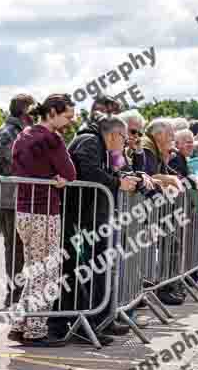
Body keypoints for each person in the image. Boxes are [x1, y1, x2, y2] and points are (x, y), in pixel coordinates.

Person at [57, 114, 142, 340]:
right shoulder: (89, 141)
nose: (126, 143)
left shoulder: (107, 147)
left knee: (100, 271)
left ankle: (102, 320)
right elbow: (87, 171)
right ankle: (85, 326)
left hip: (96, 217)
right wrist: (117, 182)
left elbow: (121, 170)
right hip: (80, 218)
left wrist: (122, 160)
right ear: (114, 135)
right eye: (124, 138)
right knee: (86, 272)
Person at [10, 94, 78, 346]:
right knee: (46, 271)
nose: (69, 122)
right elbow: (70, 172)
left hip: (24, 210)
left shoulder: (23, 134)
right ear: (53, 112)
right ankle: (35, 329)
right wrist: (59, 177)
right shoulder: (51, 138)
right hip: (44, 211)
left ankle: (20, 324)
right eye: (67, 116)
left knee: (34, 270)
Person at [0, 94, 36, 307]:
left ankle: (17, 294)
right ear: (25, 111)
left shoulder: (18, 131)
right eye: (33, 111)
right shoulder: (8, 133)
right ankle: (14, 295)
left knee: (19, 249)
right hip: (11, 199)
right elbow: (3, 166)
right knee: (14, 249)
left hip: (18, 197)